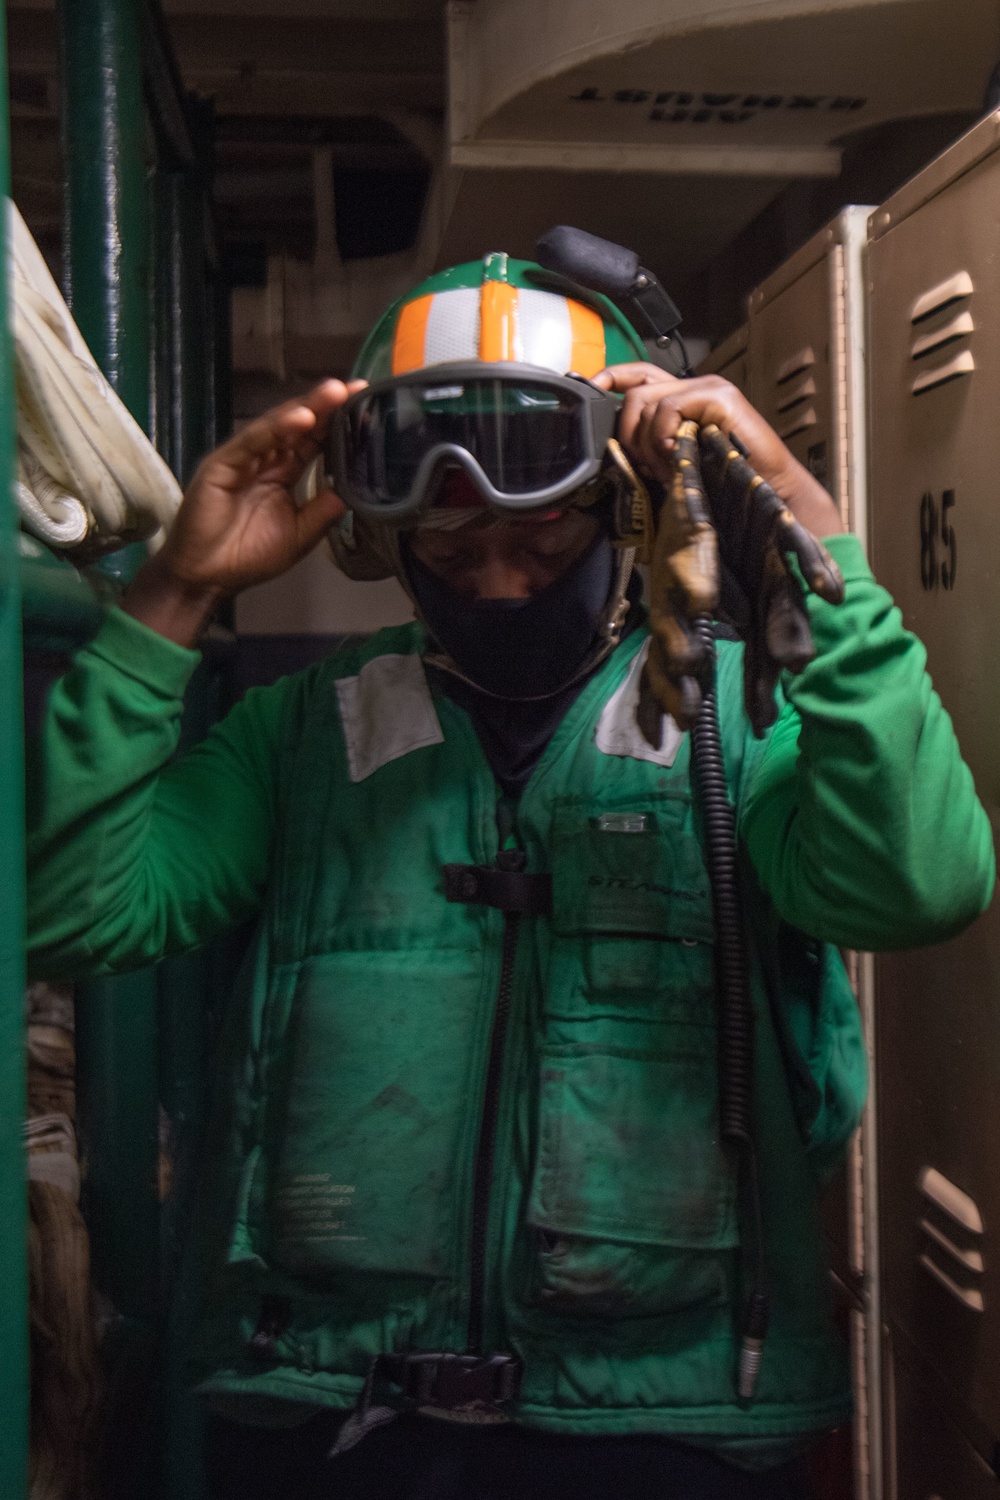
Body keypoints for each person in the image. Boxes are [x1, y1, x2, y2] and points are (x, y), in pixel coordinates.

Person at [26, 253, 994, 1500]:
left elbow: (915, 888)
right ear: (388, 532)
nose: (496, 572)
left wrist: (813, 542)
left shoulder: (735, 715)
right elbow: (66, 910)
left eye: (541, 527)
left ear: (626, 507)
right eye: (450, 532)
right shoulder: (302, 732)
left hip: (672, 1419)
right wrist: (177, 591)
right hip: (322, 1413)